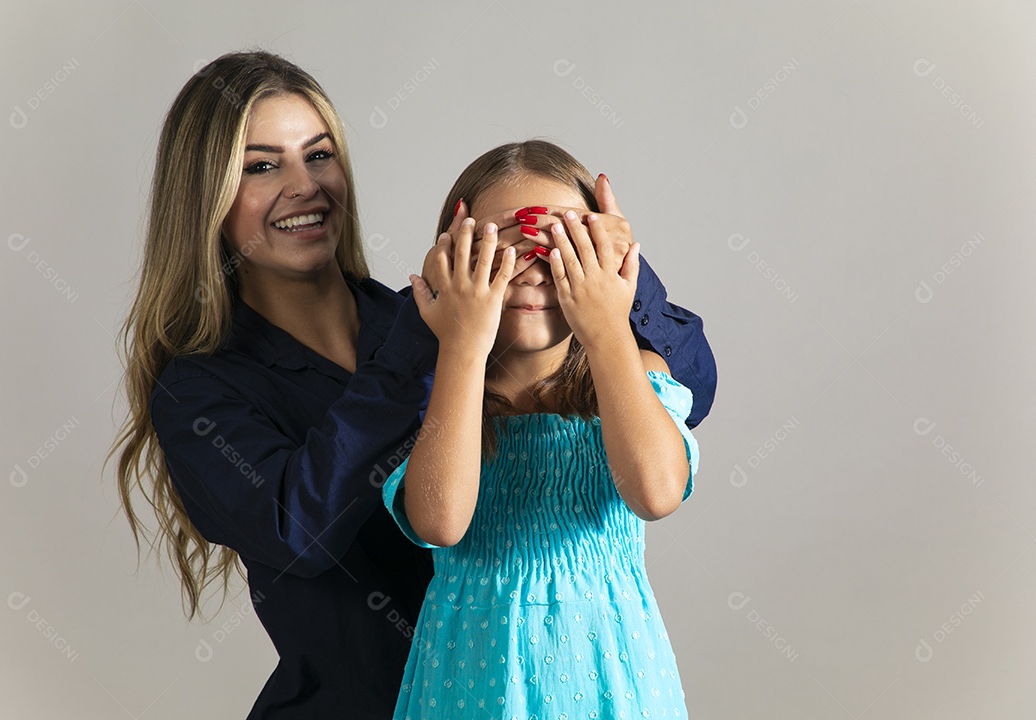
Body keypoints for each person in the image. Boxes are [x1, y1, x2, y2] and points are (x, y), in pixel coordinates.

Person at [109, 50, 715, 718]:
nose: (304, 185)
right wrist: (442, 343)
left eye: (319, 155)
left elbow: (687, 379)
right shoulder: (202, 392)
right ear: (207, 199)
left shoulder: (440, 316)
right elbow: (298, 529)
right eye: (260, 166)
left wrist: (603, 264)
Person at [383, 140, 699, 718]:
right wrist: (462, 342)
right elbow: (440, 521)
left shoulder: (635, 378)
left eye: (562, 247)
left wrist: (607, 329)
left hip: (613, 681)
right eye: (500, 250)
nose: (531, 270)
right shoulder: (436, 400)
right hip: (468, 686)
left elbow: (657, 494)